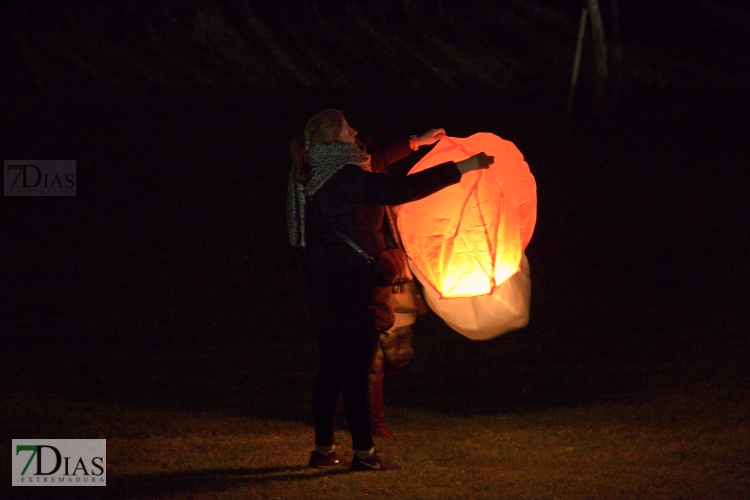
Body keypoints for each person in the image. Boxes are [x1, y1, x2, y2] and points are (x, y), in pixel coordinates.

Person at [287, 109, 493, 472]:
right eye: (349, 129)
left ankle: (322, 450)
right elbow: (402, 189)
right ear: (335, 141)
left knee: (331, 369)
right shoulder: (346, 178)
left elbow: (376, 154)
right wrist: (461, 168)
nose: (357, 132)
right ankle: (364, 455)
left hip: (324, 286)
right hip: (354, 289)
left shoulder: (317, 167)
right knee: (358, 372)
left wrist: (416, 142)